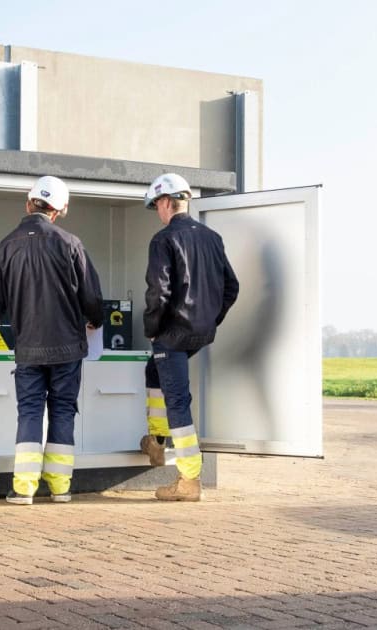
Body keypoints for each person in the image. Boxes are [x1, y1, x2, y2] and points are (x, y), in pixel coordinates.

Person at [0, 175, 106, 505]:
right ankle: (61, 487)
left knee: (30, 412)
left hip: (29, 349)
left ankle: (24, 488)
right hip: (67, 348)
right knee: (63, 410)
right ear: (61, 209)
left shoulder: (7, 245)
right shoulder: (71, 243)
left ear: (29, 202)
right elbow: (92, 296)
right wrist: (95, 320)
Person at [138, 173, 239, 501]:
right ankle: (157, 439)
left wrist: (152, 329)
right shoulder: (212, 237)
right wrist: (210, 320)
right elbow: (231, 287)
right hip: (199, 333)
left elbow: (159, 292)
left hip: (171, 334)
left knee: (178, 401)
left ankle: (189, 481)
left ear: (166, 202)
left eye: (157, 206)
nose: (158, 212)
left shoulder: (163, 240)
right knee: (154, 372)